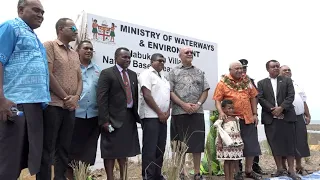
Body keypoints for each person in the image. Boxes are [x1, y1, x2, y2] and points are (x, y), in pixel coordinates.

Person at [0, 0, 50, 179]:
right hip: (15, 102)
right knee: (8, 160)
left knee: (26, 158)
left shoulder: (35, 38)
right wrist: (1, 99)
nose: (40, 15)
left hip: (34, 105)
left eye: (43, 13)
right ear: (21, 10)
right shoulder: (10, 27)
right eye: (36, 10)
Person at [37, 18, 83, 180]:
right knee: (47, 148)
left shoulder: (75, 54)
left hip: (70, 107)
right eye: (73, 28)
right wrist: (65, 97)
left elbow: (80, 80)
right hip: (53, 105)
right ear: (61, 29)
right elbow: (47, 74)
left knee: (64, 148)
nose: (76, 31)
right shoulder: (49, 46)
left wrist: (76, 97)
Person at [97, 47, 140, 180]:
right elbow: (101, 98)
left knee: (124, 151)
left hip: (128, 118)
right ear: (116, 58)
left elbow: (135, 96)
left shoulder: (133, 75)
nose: (127, 59)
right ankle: (110, 177)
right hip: (112, 119)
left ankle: (123, 177)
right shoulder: (107, 73)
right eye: (124, 57)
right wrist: (104, 120)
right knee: (110, 152)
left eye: (129, 57)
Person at [213, 62, 262, 180]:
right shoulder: (222, 83)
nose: (240, 70)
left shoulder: (247, 81)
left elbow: (253, 97)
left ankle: (249, 171)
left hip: (248, 118)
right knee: (234, 147)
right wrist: (221, 113)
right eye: (237, 68)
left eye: (241, 68)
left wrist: (255, 113)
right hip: (231, 120)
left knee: (251, 146)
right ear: (230, 70)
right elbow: (217, 100)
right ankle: (237, 173)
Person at [169, 46, 210, 180]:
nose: (190, 53)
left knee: (197, 144)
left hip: (197, 113)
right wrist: (183, 105)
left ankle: (197, 173)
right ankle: (181, 173)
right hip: (179, 112)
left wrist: (197, 104)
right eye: (186, 52)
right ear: (180, 55)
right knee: (179, 144)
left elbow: (205, 90)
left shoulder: (199, 71)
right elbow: (170, 91)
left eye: (191, 52)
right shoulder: (173, 72)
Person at [257, 60, 300, 180]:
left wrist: (281, 108)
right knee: (274, 143)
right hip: (270, 117)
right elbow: (260, 98)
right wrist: (273, 110)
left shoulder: (287, 81)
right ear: (268, 69)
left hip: (287, 116)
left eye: (277, 66)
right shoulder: (261, 83)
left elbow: (290, 96)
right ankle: (280, 169)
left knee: (289, 144)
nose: (276, 68)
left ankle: (291, 170)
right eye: (273, 67)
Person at [67, 40, 101, 178]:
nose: (89, 51)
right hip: (74, 115)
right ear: (78, 51)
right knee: (72, 150)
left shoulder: (98, 70)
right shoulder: (72, 68)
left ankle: (82, 175)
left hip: (93, 116)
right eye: (86, 48)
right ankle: (70, 176)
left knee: (88, 150)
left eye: (91, 49)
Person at [139, 53, 170, 180]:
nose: (161, 63)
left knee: (160, 148)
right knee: (150, 149)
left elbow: (167, 97)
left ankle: (157, 174)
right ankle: (148, 176)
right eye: (159, 61)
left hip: (163, 118)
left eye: (163, 61)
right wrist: (159, 112)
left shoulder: (163, 77)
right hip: (151, 117)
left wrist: (167, 112)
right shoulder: (146, 74)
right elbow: (147, 95)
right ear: (151, 62)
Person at [280, 65, 311, 175]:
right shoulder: (278, 84)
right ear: (279, 72)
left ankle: (298, 165)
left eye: (289, 70)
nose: (287, 71)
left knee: (300, 141)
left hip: (299, 116)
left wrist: (307, 115)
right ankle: (284, 167)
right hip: (285, 117)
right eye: (284, 70)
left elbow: (303, 101)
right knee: (285, 142)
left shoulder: (296, 85)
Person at [238, 59, 267, 175]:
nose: (243, 70)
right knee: (236, 143)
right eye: (241, 68)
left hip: (250, 116)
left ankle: (254, 167)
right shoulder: (228, 81)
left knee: (252, 143)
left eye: (245, 68)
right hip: (236, 117)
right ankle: (238, 168)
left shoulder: (250, 81)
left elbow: (256, 97)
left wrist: (255, 114)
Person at [215, 99, 244, 180]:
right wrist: (220, 142)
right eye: (229, 108)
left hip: (235, 143)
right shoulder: (223, 119)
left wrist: (241, 142)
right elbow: (220, 131)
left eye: (232, 108)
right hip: (225, 143)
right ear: (223, 109)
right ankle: (227, 178)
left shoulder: (236, 119)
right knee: (227, 161)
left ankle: (231, 177)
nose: (231, 110)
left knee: (233, 160)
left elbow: (238, 131)